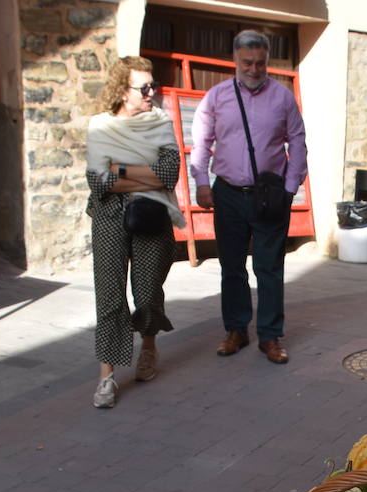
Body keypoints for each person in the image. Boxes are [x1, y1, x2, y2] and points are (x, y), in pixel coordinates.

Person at [191, 30, 308, 365]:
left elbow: (297, 141)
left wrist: (290, 189)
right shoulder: (216, 97)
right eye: (248, 63)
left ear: (267, 60)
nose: (255, 69)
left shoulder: (283, 98)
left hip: (269, 195)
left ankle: (270, 337)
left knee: (269, 267)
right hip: (227, 192)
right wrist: (201, 182)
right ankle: (236, 330)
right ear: (235, 60)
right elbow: (201, 144)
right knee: (231, 266)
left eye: (260, 63)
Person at [84, 56, 185, 409]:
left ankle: (149, 345)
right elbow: (98, 180)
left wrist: (121, 169)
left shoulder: (160, 123)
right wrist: (145, 172)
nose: (150, 93)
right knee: (109, 296)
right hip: (109, 216)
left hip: (150, 215)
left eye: (152, 85)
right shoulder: (100, 125)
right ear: (121, 92)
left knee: (146, 293)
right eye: (143, 88)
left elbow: (169, 174)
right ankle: (107, 377)